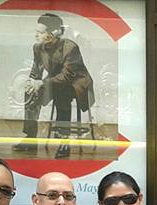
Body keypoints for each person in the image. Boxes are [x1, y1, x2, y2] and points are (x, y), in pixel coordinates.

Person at [13, 13, 95, 160]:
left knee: (62, 96)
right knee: (31, 93)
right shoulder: (38, 47)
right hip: (53, 82)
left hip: (76, 83)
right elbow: (36, 69)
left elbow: (67, 76)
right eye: (36, 31)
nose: (36, 35)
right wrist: (32, 82)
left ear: (54, 33)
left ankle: (65, 142)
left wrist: (42, 83)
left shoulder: (70, 48)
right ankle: (30, 138)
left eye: (41, 32)